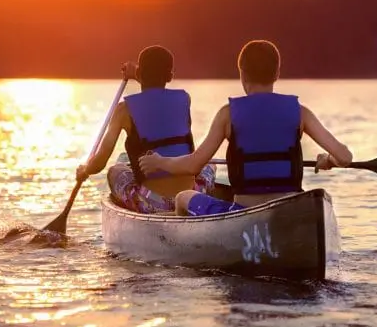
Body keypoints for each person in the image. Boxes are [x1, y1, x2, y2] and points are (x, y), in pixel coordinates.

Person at [138, 39, 352, 216]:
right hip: (289, 211)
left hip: (242, 211)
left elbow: (193, 165)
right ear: (277, 73)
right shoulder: (300, 112)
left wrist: (160, 162)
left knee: (183, 197)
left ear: (242, 73)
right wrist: (329, 160)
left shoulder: (227, 114)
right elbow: (345, 157)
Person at [76, 45, 216, 214]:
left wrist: (85, 169)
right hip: (190, 197)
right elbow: (155, 91)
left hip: (153, 203)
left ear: (140, 73)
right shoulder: (185, 98)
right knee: (210, 163)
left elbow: (99, 163)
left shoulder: (123, 110)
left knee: (116, 170)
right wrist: (136, 73)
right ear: (170, 76)